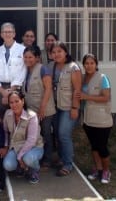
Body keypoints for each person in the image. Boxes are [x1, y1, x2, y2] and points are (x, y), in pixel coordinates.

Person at [77, 53, 113, 184]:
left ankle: (106, 170)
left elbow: (106, 97)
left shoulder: (103, 78)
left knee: (102, 146)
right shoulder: (83, 78)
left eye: (92, 63)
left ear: (96, 64)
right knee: (94, 146)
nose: (89, 65)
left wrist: (87, 97)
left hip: (102, 120)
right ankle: (97, 168)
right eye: (86, 63)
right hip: (87, 119)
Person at [50, 41, 82, 177]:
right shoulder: (52, 66)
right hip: (56, 106)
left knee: (64, 134)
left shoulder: (73, 67)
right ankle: (63, 159)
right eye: (54, 52)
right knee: (57, 133)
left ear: (66, 52)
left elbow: (77, 90)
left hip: (69, 107)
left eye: (59, 51)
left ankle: (68, 164)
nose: (57, 54)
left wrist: (75, 107)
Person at [22, 45, 56, 169]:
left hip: (44, 110)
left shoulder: (43, 69)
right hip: (32, 111)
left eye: (30, 57)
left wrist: (42, 108)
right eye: (25, 57)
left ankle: (47, 160)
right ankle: (37, 158)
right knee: (36, 135)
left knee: (46, 134)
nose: (27, 59)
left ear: (37, 57)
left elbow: (48, 89)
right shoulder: (25, 71)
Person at [0, 91, 44, 184]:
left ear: (22, 101)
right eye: (11, 102)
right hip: (15, 147)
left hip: (34, 147)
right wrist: (6, 147)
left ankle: (34, 169)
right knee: (8, 165)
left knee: (28, 159)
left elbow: (31, 140)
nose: (14, 105)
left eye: (17, 101)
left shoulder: (32, 116)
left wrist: (19, 157)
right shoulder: (7, 114)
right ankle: (22, 167)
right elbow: (6, 132)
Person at [0, 22, 26, 119]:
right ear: (1, 34)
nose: (7, 34)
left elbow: (23, 71)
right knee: (2, 118)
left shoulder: (22, 50)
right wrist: (3, 92)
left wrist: (11, 91)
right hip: (1, 90)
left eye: (10, 32)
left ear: (14, 34)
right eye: (5, 32)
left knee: (17, 116)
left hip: (16, 88)